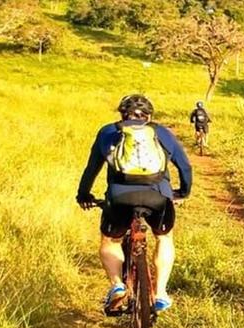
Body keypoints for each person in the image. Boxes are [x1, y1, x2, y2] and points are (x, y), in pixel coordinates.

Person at [76, 94, 192, 313]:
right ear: (149, 116)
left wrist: (84, 195)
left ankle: (117, 286)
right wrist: (182, 193)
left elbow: (92, 169)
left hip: (120, 197)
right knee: (164, 237)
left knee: (110, 240)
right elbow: (185, 167)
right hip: (158, 196)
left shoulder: (108, 132)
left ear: (122, 114)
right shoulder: (162, 132)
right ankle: (160, 293)